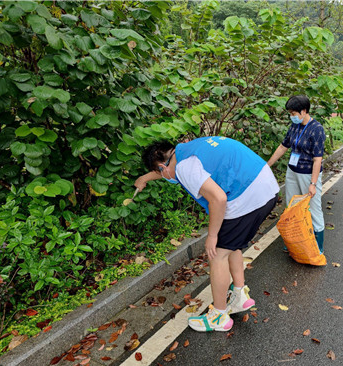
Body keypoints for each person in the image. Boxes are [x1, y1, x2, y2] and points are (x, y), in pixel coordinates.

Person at [135, 136, 279, 332]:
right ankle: (239, 295)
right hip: (266, 186)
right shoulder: (187, 150)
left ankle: (219, 316)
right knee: (231, 245)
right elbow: (171, 173)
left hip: (246, 196)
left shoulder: (185, 167)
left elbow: (218, 199)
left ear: (162, 167)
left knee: (217, 254)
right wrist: (144, 178)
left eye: (158, 172)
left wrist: (211, 236)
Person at [267, 95, 326, 254]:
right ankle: (292, 241)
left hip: (308, 174)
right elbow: (283, 147)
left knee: (313, 209)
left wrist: (313, 184)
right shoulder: (294, 126)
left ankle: (317, 246)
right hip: (292, 171)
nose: (291, 116)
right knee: (291, 206)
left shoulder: (317, 129)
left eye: (294, 113)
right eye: (290, 113)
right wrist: (267, 165)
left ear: (304, 111)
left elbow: (317, 160)